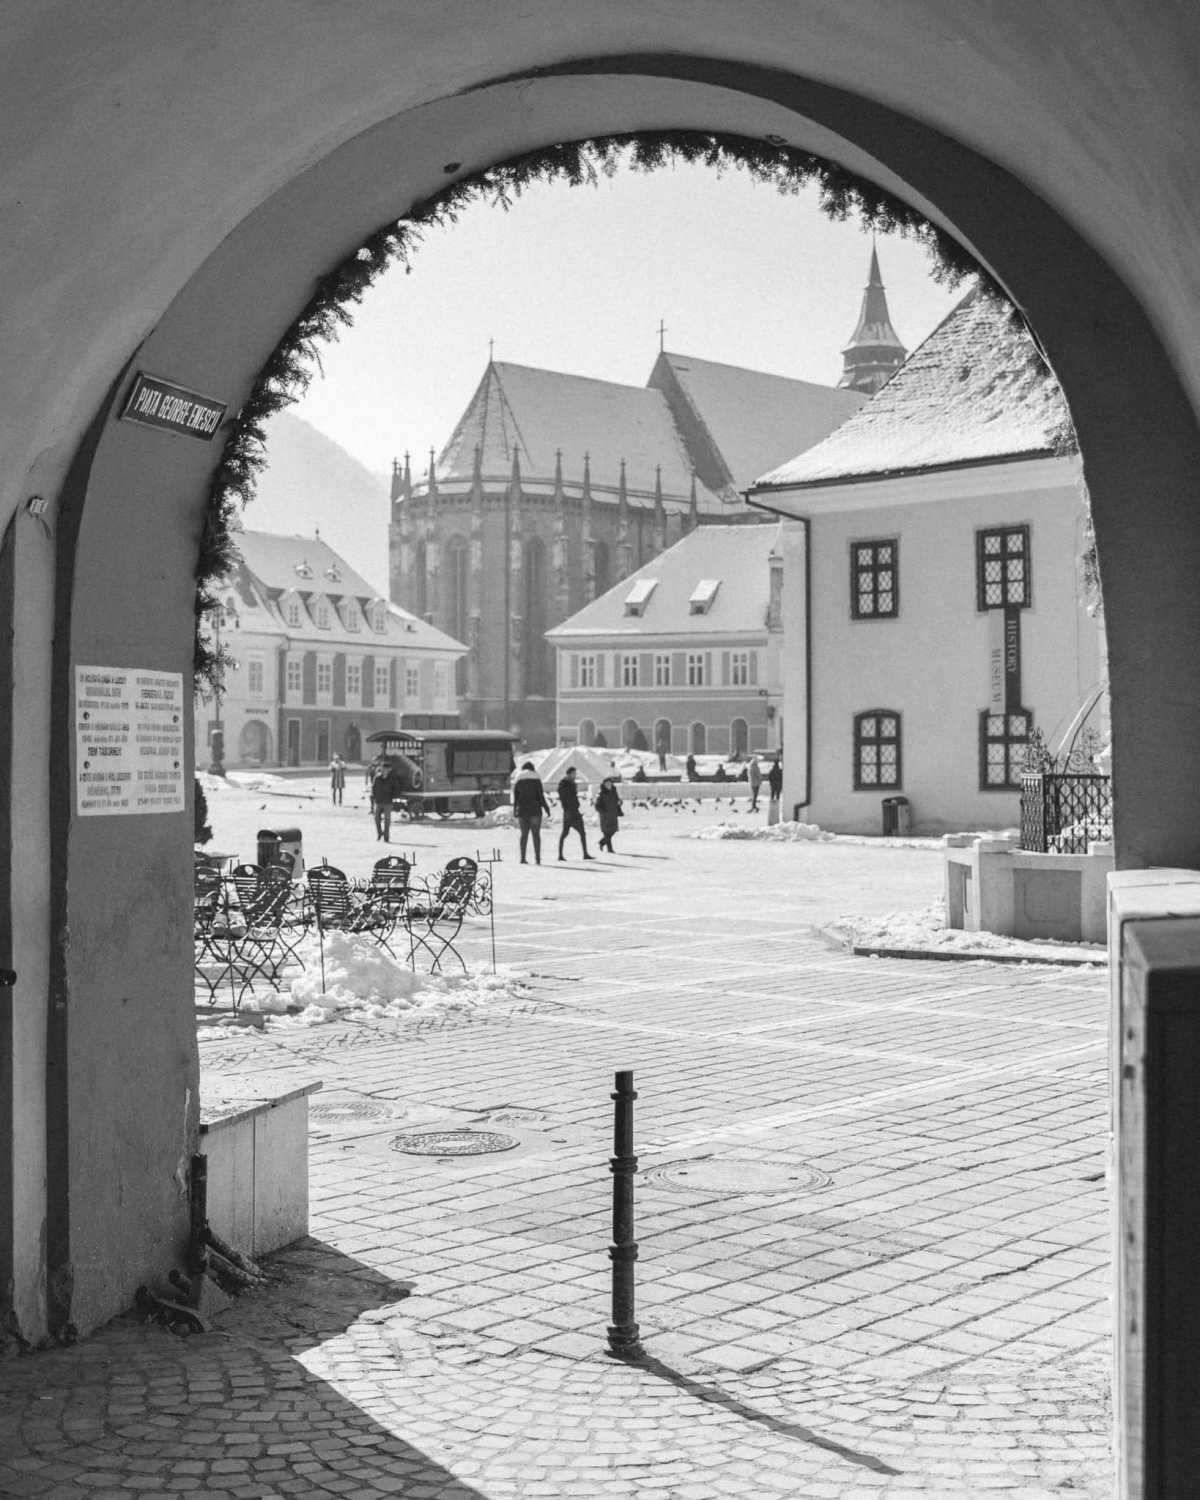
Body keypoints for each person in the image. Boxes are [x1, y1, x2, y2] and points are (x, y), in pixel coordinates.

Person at [512, 760, 551, 864]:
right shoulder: (536, 778)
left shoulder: (518, 779)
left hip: (522, 811)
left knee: (524, 835)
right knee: (536, 835)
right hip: (535, 810)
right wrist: (546, 808)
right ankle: (537, 859)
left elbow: (516, 797)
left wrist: (515, 810)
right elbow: (541, 796)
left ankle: (522, 858)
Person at [556, 765, 594, 861]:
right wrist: (568, 808)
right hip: (569, 812)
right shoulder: (563, 784)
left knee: (582, 833)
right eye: (573, 773)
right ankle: (560, 855)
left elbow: (573, 796)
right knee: (565, 833)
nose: (575, 775)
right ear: (568, 774)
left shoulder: (571, 783)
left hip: (574, 811)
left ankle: (585, 854)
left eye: (575, 774)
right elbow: (565, 798)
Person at [368, 754, 396, 842]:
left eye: (386, 769)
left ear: (389, 770)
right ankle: (379, 834)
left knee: (387, 820)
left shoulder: (392, 779)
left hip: (387, 802)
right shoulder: (377, 778)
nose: (384, 771)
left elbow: (395, 789)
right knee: (376, 819)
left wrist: (392, 797)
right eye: (383, 769)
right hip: (378, 801)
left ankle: (386, 837)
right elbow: (373, 788)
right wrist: (374, 798)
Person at [594, 776, 623, 853]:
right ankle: (610, 849)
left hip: (613, 815)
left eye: (610, 783)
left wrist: (620, 802)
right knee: (607, 833)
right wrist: (604, 812)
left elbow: (618, 800)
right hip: (605, 817)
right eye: (607, 783)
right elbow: (597, 806)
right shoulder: (601, 794)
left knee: (613, 830)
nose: (608, 785)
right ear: (604, 785)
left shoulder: (614, 792)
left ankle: (602, 842)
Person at [766, 757, 783, 825]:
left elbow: (769, 777)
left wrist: (771, 783)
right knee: (777, 795)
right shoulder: (779, 770)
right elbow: (781, 777)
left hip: (773, 785)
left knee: (772, 794)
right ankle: (777, 804)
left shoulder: (772, 770)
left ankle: (772, 803)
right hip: (778, 785)